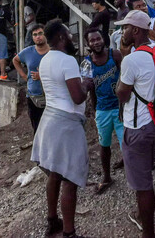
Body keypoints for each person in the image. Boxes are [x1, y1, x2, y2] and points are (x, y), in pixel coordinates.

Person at [31, 20, 87, 238]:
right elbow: (77, 96)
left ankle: (52, 221)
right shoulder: (68, 61)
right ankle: (69, 233)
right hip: (67, 123)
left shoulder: (45, 60)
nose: (72, 37)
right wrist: (87, 86)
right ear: (62, 37)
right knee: (70, 180)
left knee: (54, 174)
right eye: (69, 33)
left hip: (49, 119)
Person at [115, 10, 155, 238]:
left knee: (143, 184)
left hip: (137, 126)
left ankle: (148, 232)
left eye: (125, 27)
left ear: (135, 30)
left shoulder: (132, 60)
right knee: (145, 175)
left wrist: (118, 86)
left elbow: (122, 94)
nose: (122, 31)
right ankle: (144, 217)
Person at [83, 28, 123, 195]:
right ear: (88, 44)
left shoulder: (116, 55)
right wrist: (93, 108)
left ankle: (135, 175)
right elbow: (90, 87)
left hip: (120, 108)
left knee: (126, 144)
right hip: (102, 109)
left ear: (104, 39)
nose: (96, 42)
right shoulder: (87, 62)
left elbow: (125, 77)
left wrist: (125, 104)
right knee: (104, 145)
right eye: (92, 40)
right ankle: (106, 176)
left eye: (98, 39)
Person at [12, 24, 49, 132]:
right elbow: (15, 60)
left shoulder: (53, 51)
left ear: (45, 35)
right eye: (35, 35)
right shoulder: (28, 52)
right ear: (32, 38)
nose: (38, 37)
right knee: (37, 128)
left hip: (51, 96)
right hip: (33, 97)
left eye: (40, 33)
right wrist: (23, 75)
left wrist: (41, 76)